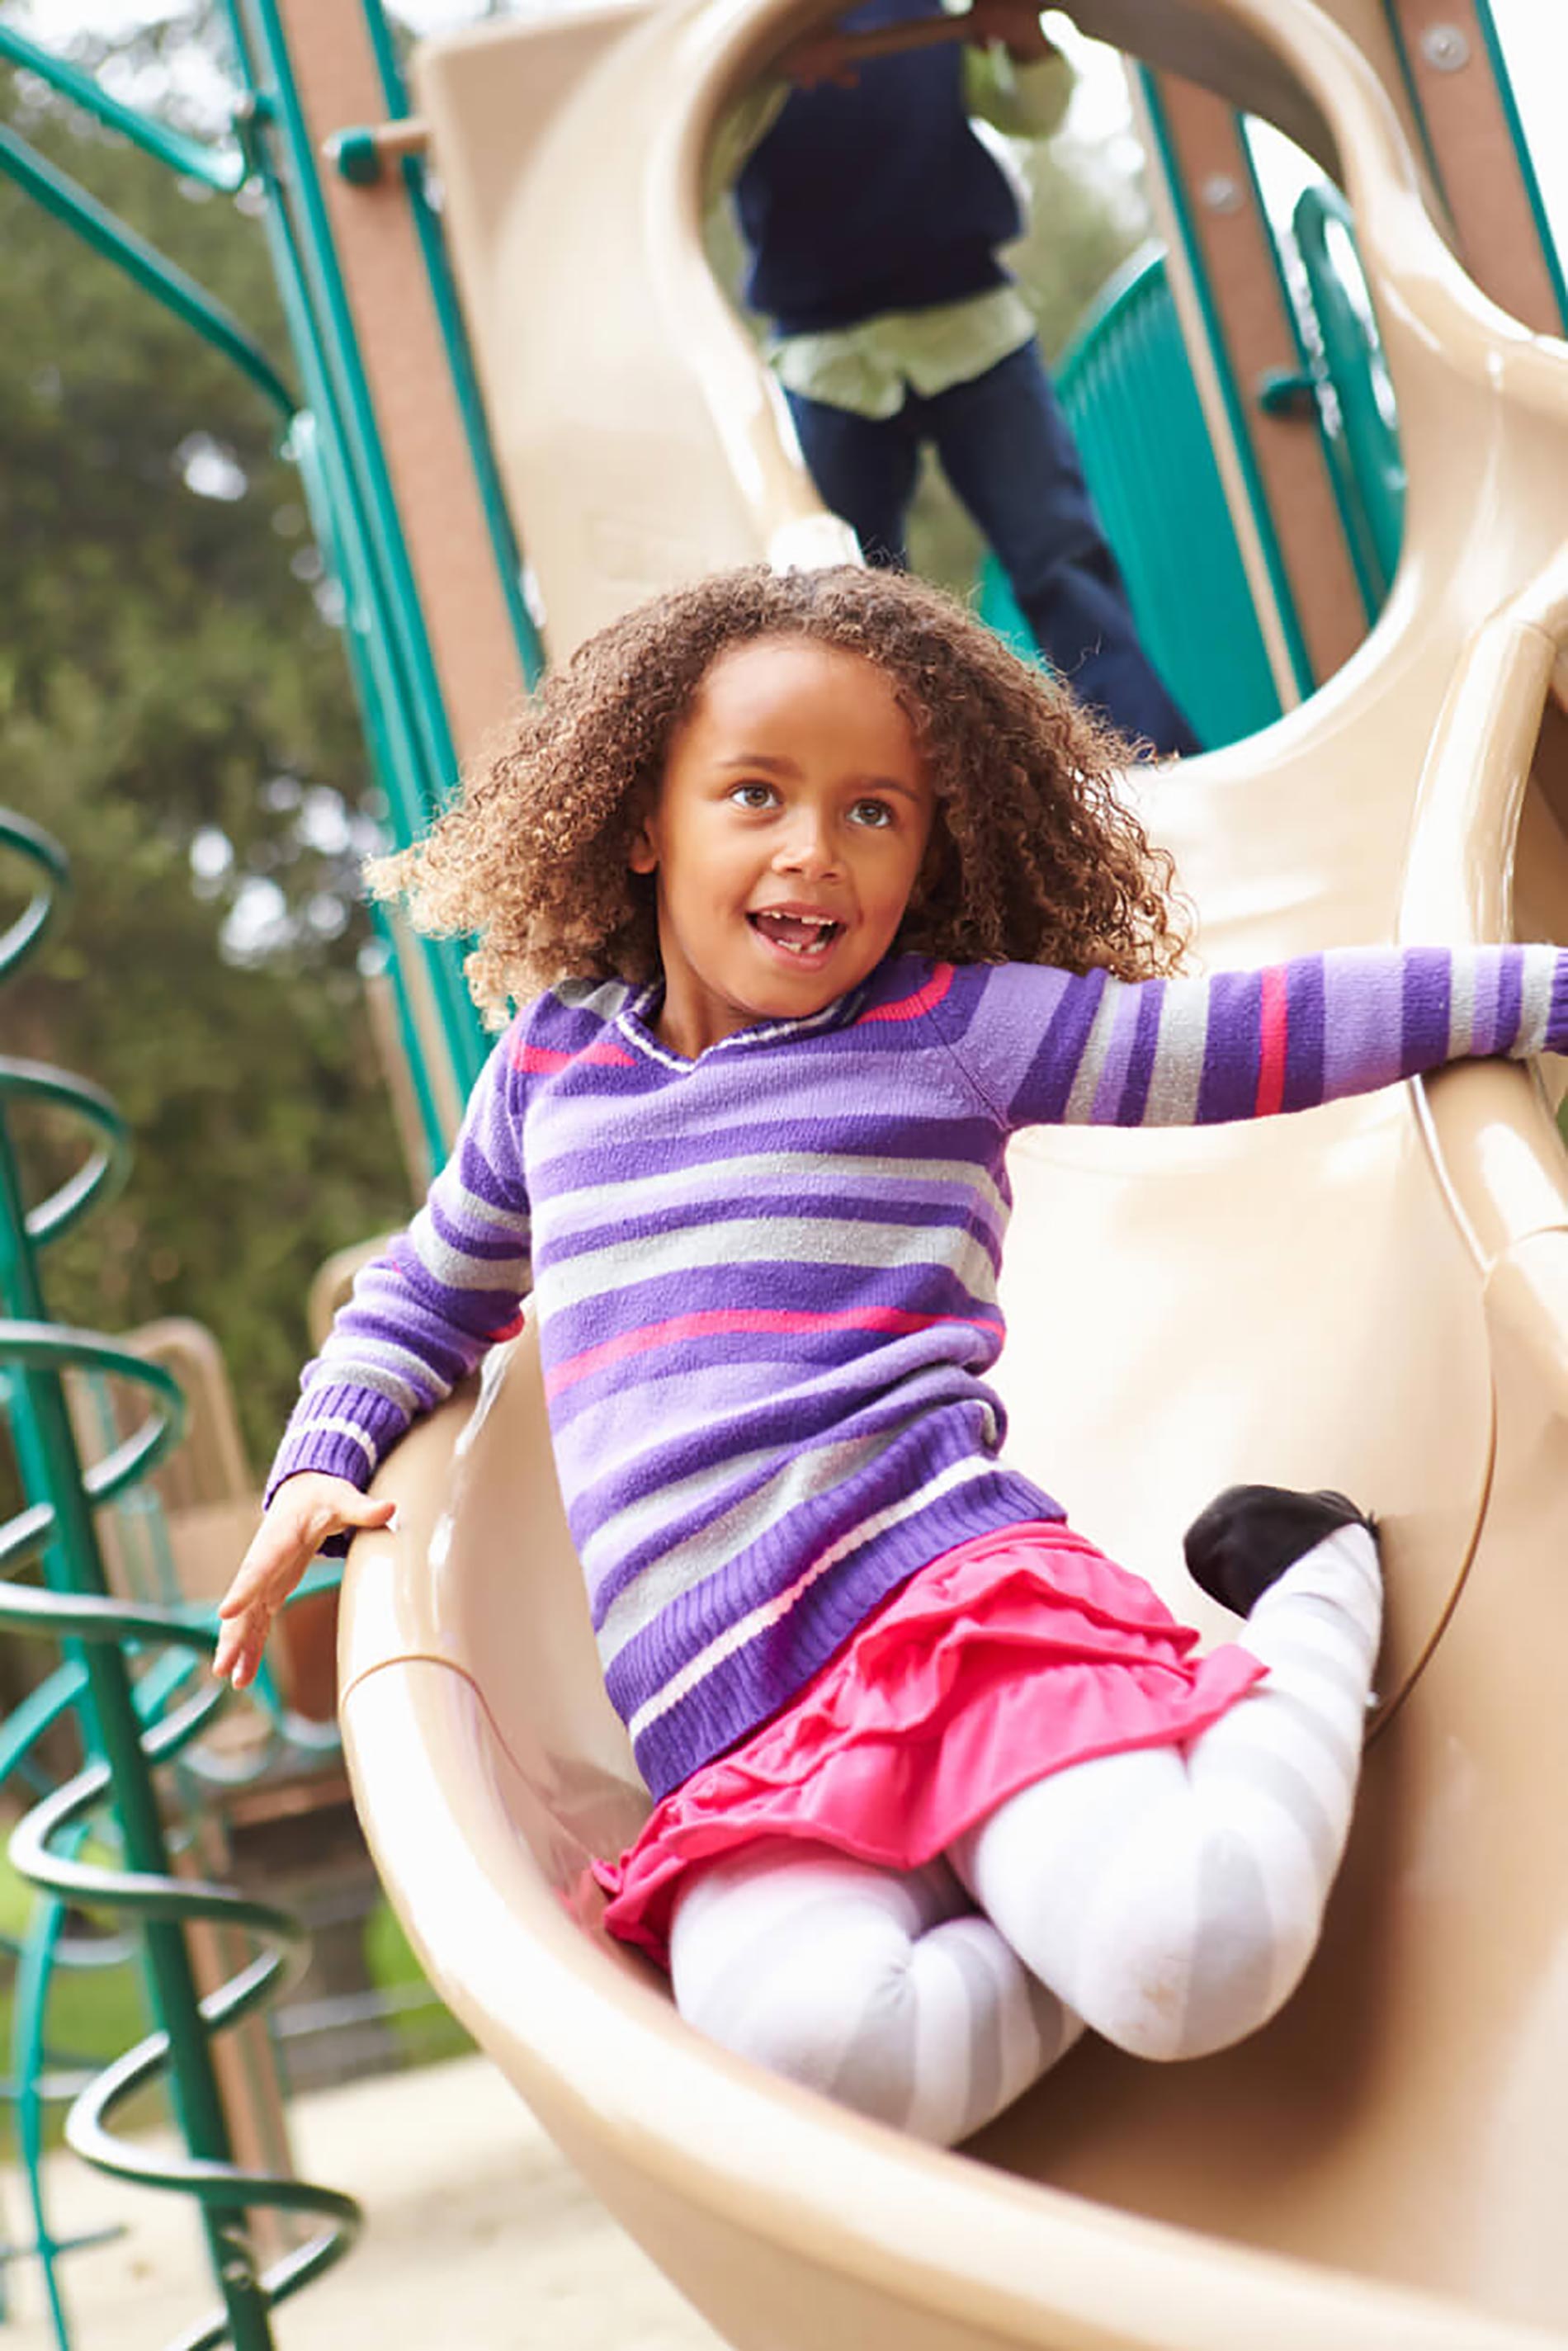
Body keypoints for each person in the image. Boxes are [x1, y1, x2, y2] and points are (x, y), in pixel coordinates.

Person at [215, 564, 1563, 2148]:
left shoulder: (951, 1028)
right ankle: (1067, 1883)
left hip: (946, 1619)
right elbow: (428, 1287)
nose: (814, 849)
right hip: (735, 1730)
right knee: (812, 2066)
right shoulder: (550, 1073)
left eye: (877, 812)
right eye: (757, 794)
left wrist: (1547, 991)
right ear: (644, 814)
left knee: (1200, 1955)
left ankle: (1315, 1600)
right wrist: (318, 1456)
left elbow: (1251, 1032)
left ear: (935, 846)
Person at [726, 0, 1202, 755]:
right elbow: (706, 151)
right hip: (830, 354)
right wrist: (769, 74)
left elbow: (1035, 113)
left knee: (1058, 551)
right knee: (844, 589)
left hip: (969, 322)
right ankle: (887, 772)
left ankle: (1148, 753)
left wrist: (1026, 49)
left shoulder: (927, 17)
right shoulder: (747, 35)